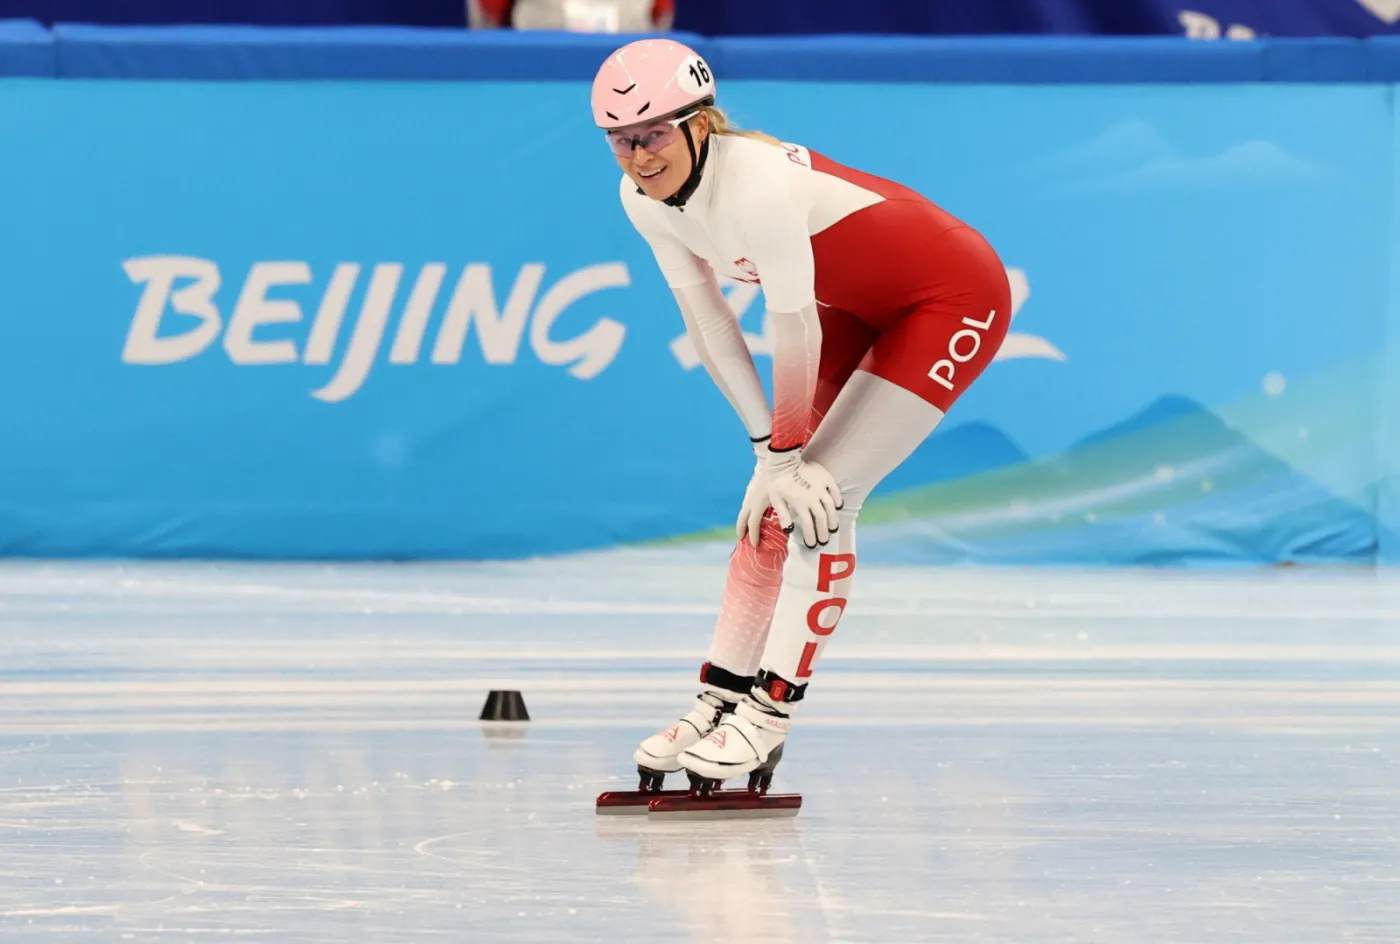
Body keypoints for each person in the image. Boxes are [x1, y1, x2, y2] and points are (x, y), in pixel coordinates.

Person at [594, 38, 1010, 795]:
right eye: (621, 140)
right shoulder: (640, 201)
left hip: (949, 298)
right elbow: (713, 325)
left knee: (823, 498)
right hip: (852, 308)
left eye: (653, 134)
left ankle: (770, 714)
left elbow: (793, 328)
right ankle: (719, 700)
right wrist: (767, 454)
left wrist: (789, 457)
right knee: (767, 509)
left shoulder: (755, 184)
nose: (638, 156)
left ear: (699, 123)